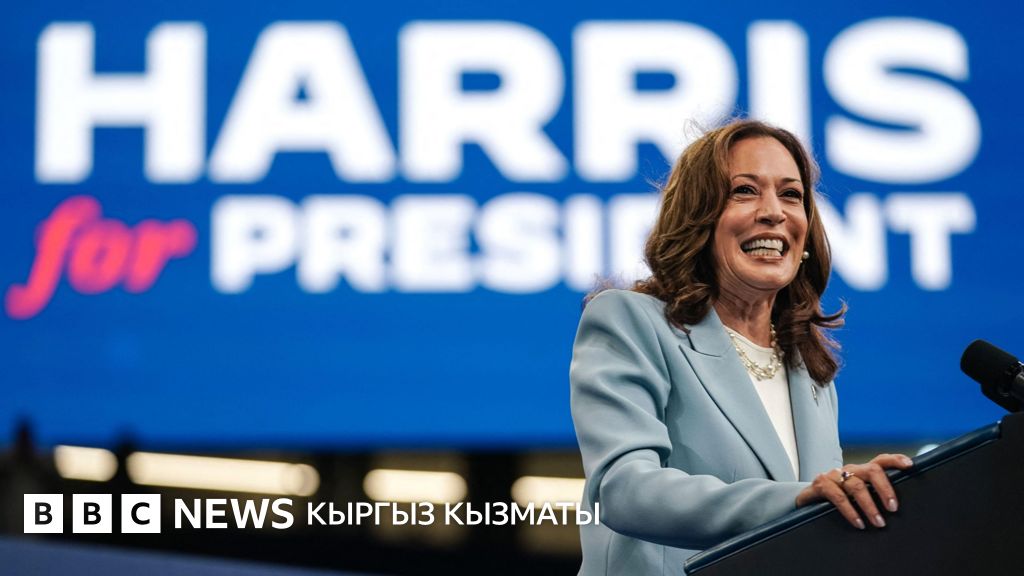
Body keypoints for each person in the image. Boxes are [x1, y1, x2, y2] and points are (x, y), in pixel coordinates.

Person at [569, 119, 914, 575]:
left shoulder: (808, 370)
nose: (774, 212)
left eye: (791, 195)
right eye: (745, 191)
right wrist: (800, 498)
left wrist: (864, 498)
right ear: (698, 218)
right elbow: (624, 492)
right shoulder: (632, 320)